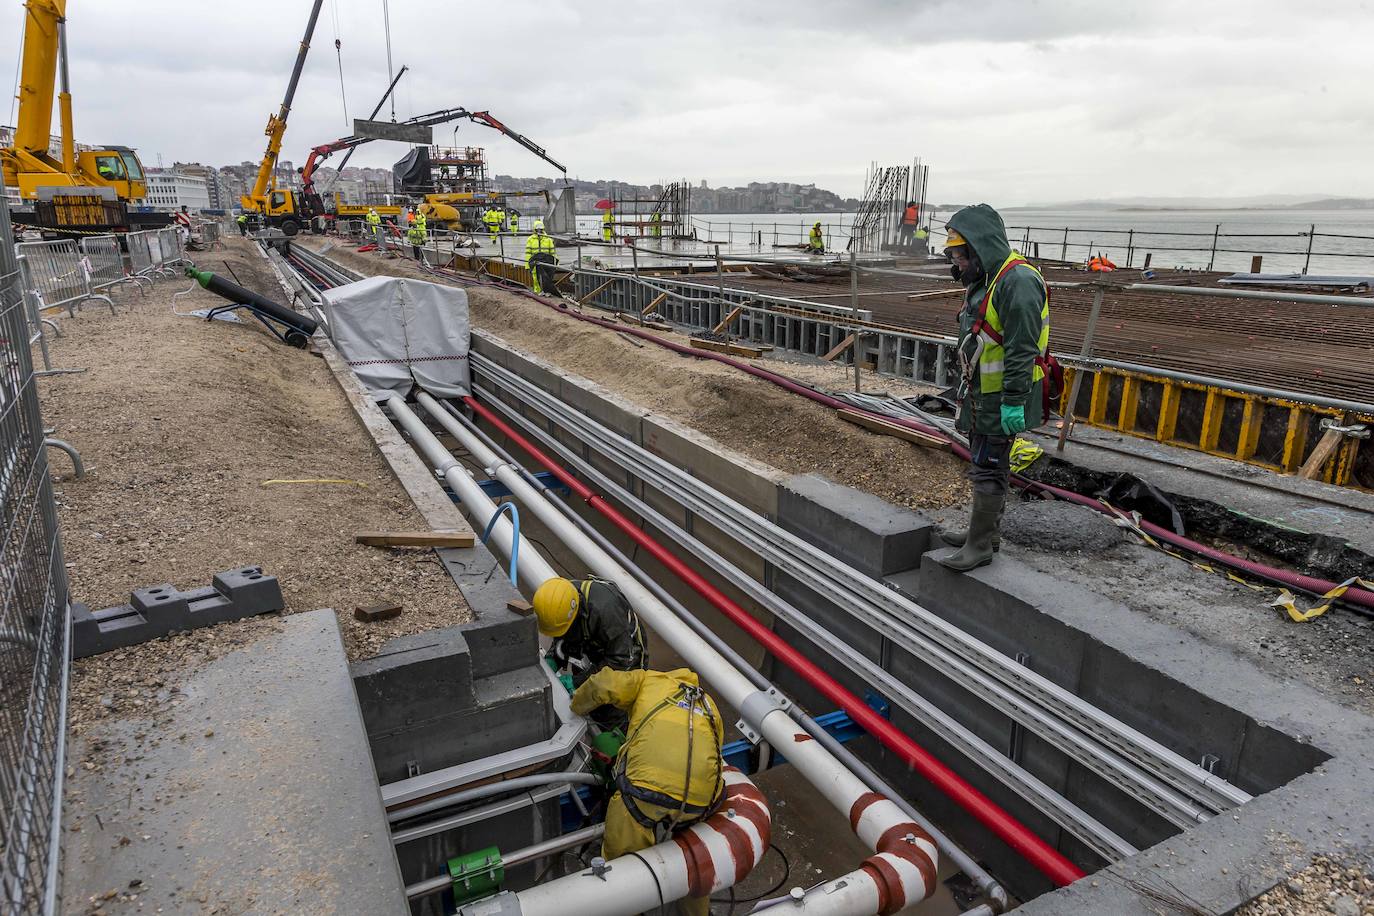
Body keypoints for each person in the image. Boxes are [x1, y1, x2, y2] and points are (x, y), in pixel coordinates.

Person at [938, 204, 1052, 572]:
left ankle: (980, 545)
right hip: (982, 393)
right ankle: (986, 534)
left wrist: (1014, 401)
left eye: (959, 254)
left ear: (979, 246)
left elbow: (1022, 348)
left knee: (988, 466)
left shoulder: (1017, 281)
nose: (957, 263)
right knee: (988, 462)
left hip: (1003, 395)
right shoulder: (987, 278)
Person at [570, 667, 723, 916]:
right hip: (701, 800)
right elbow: (715, 753)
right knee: (694, 861)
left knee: (620, 864)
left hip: (643, 791)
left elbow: (603, 682)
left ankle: (631, 905)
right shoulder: (708, 702)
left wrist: (576, 705)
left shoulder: (649, 680)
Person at [523, 219, 559, 295]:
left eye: (541, 229)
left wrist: (555, 263)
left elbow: (552, 252)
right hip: (535, 261)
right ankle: (538, 291)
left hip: (546, 261)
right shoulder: (530, 240)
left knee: (547, 277)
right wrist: (527, 265)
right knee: (536, 278)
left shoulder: (548, 239)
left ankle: (547, 291)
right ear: (534, 230)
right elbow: (528, 253)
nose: (539, 231)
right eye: (537, 229)